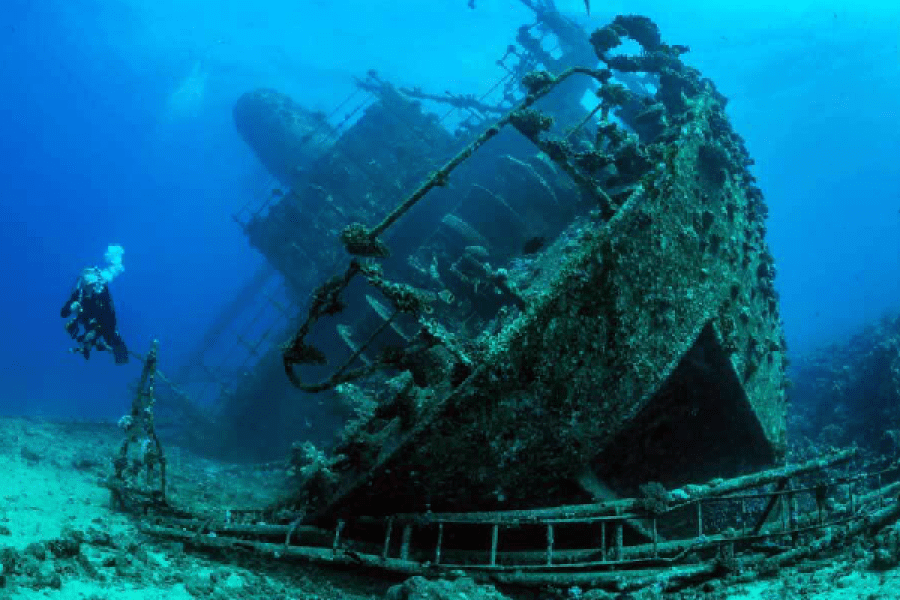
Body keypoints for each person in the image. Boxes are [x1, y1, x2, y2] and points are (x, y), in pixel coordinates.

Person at [61, 266, 129, 364]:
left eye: (92, 285)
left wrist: (96, 332)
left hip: (104, 324)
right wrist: (71, 308)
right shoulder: (78, 294)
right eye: (87, 286)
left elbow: (111, 318)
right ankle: (91, 345)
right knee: (86, 341)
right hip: (88, 323)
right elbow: (63, 313)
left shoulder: (102, 292)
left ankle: (120, 358)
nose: (89, 289)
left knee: (113, 340)